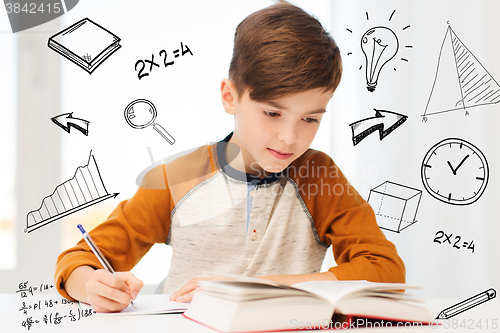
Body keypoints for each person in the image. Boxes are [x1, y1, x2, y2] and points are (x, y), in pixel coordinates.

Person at [55, 0, 405, 313]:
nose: (290, 137)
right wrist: (91, 285)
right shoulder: (176, 177)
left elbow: (385, 270)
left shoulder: (319, 176)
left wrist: (260, 289)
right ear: (230, 96)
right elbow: (77, 261)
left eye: (310, 119)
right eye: (272, 113)